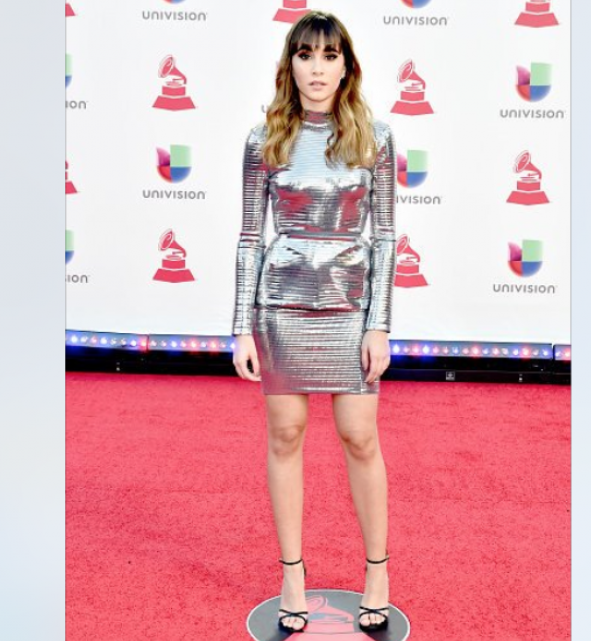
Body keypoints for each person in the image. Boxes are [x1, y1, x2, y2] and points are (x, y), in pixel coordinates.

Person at [230, 10, 397, 634]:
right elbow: (250, 238)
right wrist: (242, 325)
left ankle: (376, 570)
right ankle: (292, 572)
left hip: (351, 308)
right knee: (286, 436)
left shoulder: (374, 138)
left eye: (329, 56)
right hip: (281, 305)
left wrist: (378, 323)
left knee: (360, 437)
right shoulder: (263, 139)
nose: (317, 67)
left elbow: (385, 235)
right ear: (290, 64)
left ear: (346, 65)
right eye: (306, 55)